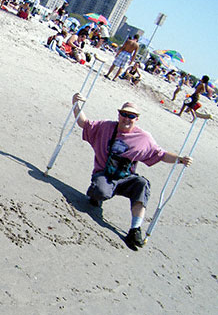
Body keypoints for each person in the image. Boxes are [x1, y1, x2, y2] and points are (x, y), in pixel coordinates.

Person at [71, 94, 193, 250]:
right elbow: (83, 123)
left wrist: (180, 159)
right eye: (124, 114)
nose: (126, 118)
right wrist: (75, 102)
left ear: (137, 119)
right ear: (119, 114)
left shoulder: (144, 138)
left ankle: (135, 229)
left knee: (142, 185)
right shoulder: (105, 127)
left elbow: (161, 154)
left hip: (126, 178)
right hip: (104, 175)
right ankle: (96, 196)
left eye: (131, 116)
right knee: (99, 192)